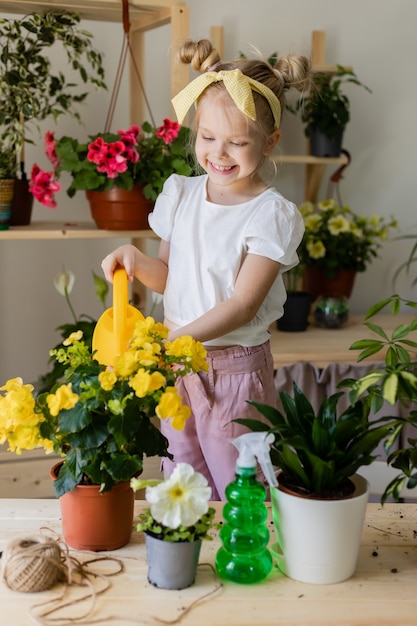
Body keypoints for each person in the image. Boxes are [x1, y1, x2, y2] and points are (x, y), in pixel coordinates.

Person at [101, 39, 312, 500]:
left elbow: (242, 304)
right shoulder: (181, 194)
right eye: (207, 137)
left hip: (232, 372)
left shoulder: (269, 214)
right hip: (178, 364)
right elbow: (168, 274)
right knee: (184, 480)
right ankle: (193, 562)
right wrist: (137, 262)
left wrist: (174, 342)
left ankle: (246, 562)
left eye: (237, 142)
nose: (219, 153)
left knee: (241, 488)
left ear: (270, 142)